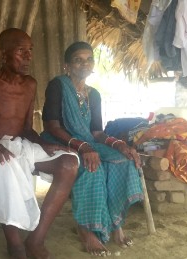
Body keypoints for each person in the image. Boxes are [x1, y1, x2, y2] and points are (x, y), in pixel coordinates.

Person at [0, 28, 79, 259]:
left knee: (69, 162)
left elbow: (27, 128)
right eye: (21, 51)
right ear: (3, 54)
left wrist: (44, 144)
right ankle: (15, 245)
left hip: (22, 144)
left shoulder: (30, 84)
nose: (29, 56)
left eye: (30, 50)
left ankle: (36, 240)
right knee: (2, 167)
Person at [41, 41, 143, 256]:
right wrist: (83, 146)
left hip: (87, 142)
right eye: (78, 59)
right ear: (67, 65)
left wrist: (120, 144)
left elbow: (96, 132)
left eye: (89, 59)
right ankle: (86, 229)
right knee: (92, 167)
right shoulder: (58, 85)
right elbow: (51, 125)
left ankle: (115, 224)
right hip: (59, 141)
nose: (84, 64)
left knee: (122, 161)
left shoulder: (94, 94)